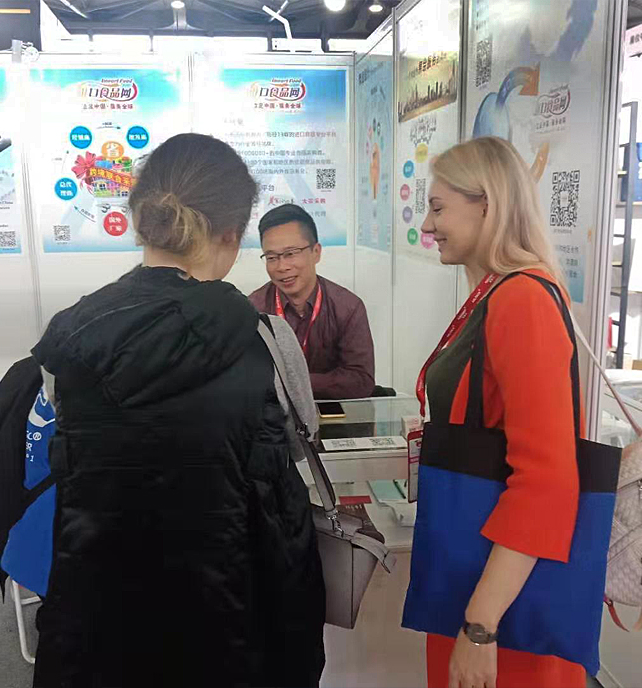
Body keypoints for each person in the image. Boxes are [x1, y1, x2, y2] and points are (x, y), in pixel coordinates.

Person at [30, 134, 326, 688]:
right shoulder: (268, 338)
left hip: (103, 609)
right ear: (232, 233)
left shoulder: (68, 338)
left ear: (143, 222)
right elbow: (296, 441)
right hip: (237, 611)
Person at [407, 136, 585, 688]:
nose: (428, 225)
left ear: (488, 204)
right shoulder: (496, 293)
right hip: (477, 572)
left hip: (501, 601)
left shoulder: (521, 300)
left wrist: (480, 627)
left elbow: (546, 481)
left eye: (438, 208)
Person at [250, 203, 375, 399]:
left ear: (316, 252)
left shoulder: (348, 307)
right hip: (275, 413)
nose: (282, 267)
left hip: (334, 411)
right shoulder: (254, 309)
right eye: (272, 257)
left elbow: (361, 380)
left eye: (290, 254)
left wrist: (292, 382)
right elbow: (249, 377)